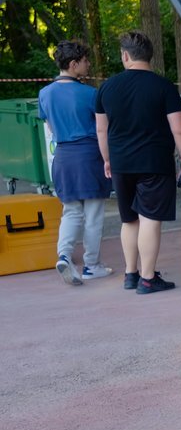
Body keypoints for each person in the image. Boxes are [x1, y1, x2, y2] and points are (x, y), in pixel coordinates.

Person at [95, 30, 181, 294]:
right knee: (150, 218)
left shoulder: (106, 87)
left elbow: (102, 130)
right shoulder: (163, 87)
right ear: (149, 57)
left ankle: (131, 274)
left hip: (120, 162)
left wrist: (106, 159)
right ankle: (148, 278)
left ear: (125, 56)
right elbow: (180, 130)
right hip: (154, 162)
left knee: (129, 220)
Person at [38, 40, 112, 285]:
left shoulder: (44, 93)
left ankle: (65, 255)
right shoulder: (91, 93)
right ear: (73, 64)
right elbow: (103, 129)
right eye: (84, 61)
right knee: (93, 214)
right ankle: (92, 264)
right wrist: (108, 159)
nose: (88, 64)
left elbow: (49, 125)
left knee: (70, 211)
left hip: (62, 157)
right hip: (89, 156)